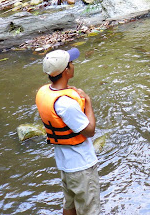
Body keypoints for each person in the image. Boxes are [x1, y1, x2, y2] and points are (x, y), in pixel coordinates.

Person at [35, 48, 100, 215]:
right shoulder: (66, 104)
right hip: (81, 166)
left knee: (69, 205)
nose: (73, 65)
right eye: (71, 63)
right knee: (89, 209)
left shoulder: (46, 93)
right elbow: (90, 131)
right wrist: (88, 102)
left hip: (65, 164)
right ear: (66, 71)